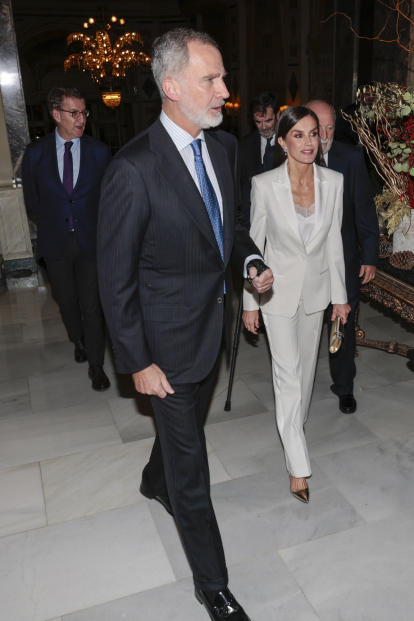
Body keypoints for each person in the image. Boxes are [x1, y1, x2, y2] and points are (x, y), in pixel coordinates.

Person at [97, 28, 273, 621]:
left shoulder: (222, 150)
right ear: (172, 87)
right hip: (164, 348)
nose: (226, 89)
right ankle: (212, 585)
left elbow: (229, 227)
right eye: (212, 79)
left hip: (210, 336)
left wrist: (248, 260)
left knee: (178, 443)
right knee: (192, 467)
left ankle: (154, 479)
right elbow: (114, 281)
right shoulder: (133, 169)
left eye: (223, 77)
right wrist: (138, 361)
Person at [243, 106, 350, 503]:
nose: (309, 142)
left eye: (314, 134)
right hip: (274, 294)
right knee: (286, 376)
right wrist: (250, 302)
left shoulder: (334, 181)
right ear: (283, 142)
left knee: (304, 377)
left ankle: (293, 432)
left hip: (317, 293)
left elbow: (335, 244)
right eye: (299, 135)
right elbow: (253, 248)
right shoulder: (264, 185)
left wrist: (339, 297)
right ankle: (299, 468)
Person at [22, 87, 111, 391]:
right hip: (55, 241)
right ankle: (78, 338)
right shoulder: (36, 153)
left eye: (84, 112)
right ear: (56, 115)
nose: (81, 119)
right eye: (74, 113)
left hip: (91, 241)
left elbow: (108, 198)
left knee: (93, 304)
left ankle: (97, 365)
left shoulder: (99, 152)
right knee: (67, 301)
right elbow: (32, 200)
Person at [306, 100, 379, 414]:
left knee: (342, 327)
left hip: (344, 261)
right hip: (305, 264)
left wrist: (370, 256)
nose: (323, 135)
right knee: (304, 328)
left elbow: (365, 211)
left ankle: (344, 387)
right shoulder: (289, 157)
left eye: (330, 127)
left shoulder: (350, 158)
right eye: (316, 128)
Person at [239, 92, 280, 229]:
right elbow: (242, 187)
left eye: (268, 120)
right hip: (254, 220)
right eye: (258, 122)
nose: (263, 127)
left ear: (278, 115)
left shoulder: (290, 142)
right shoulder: (245, 144)